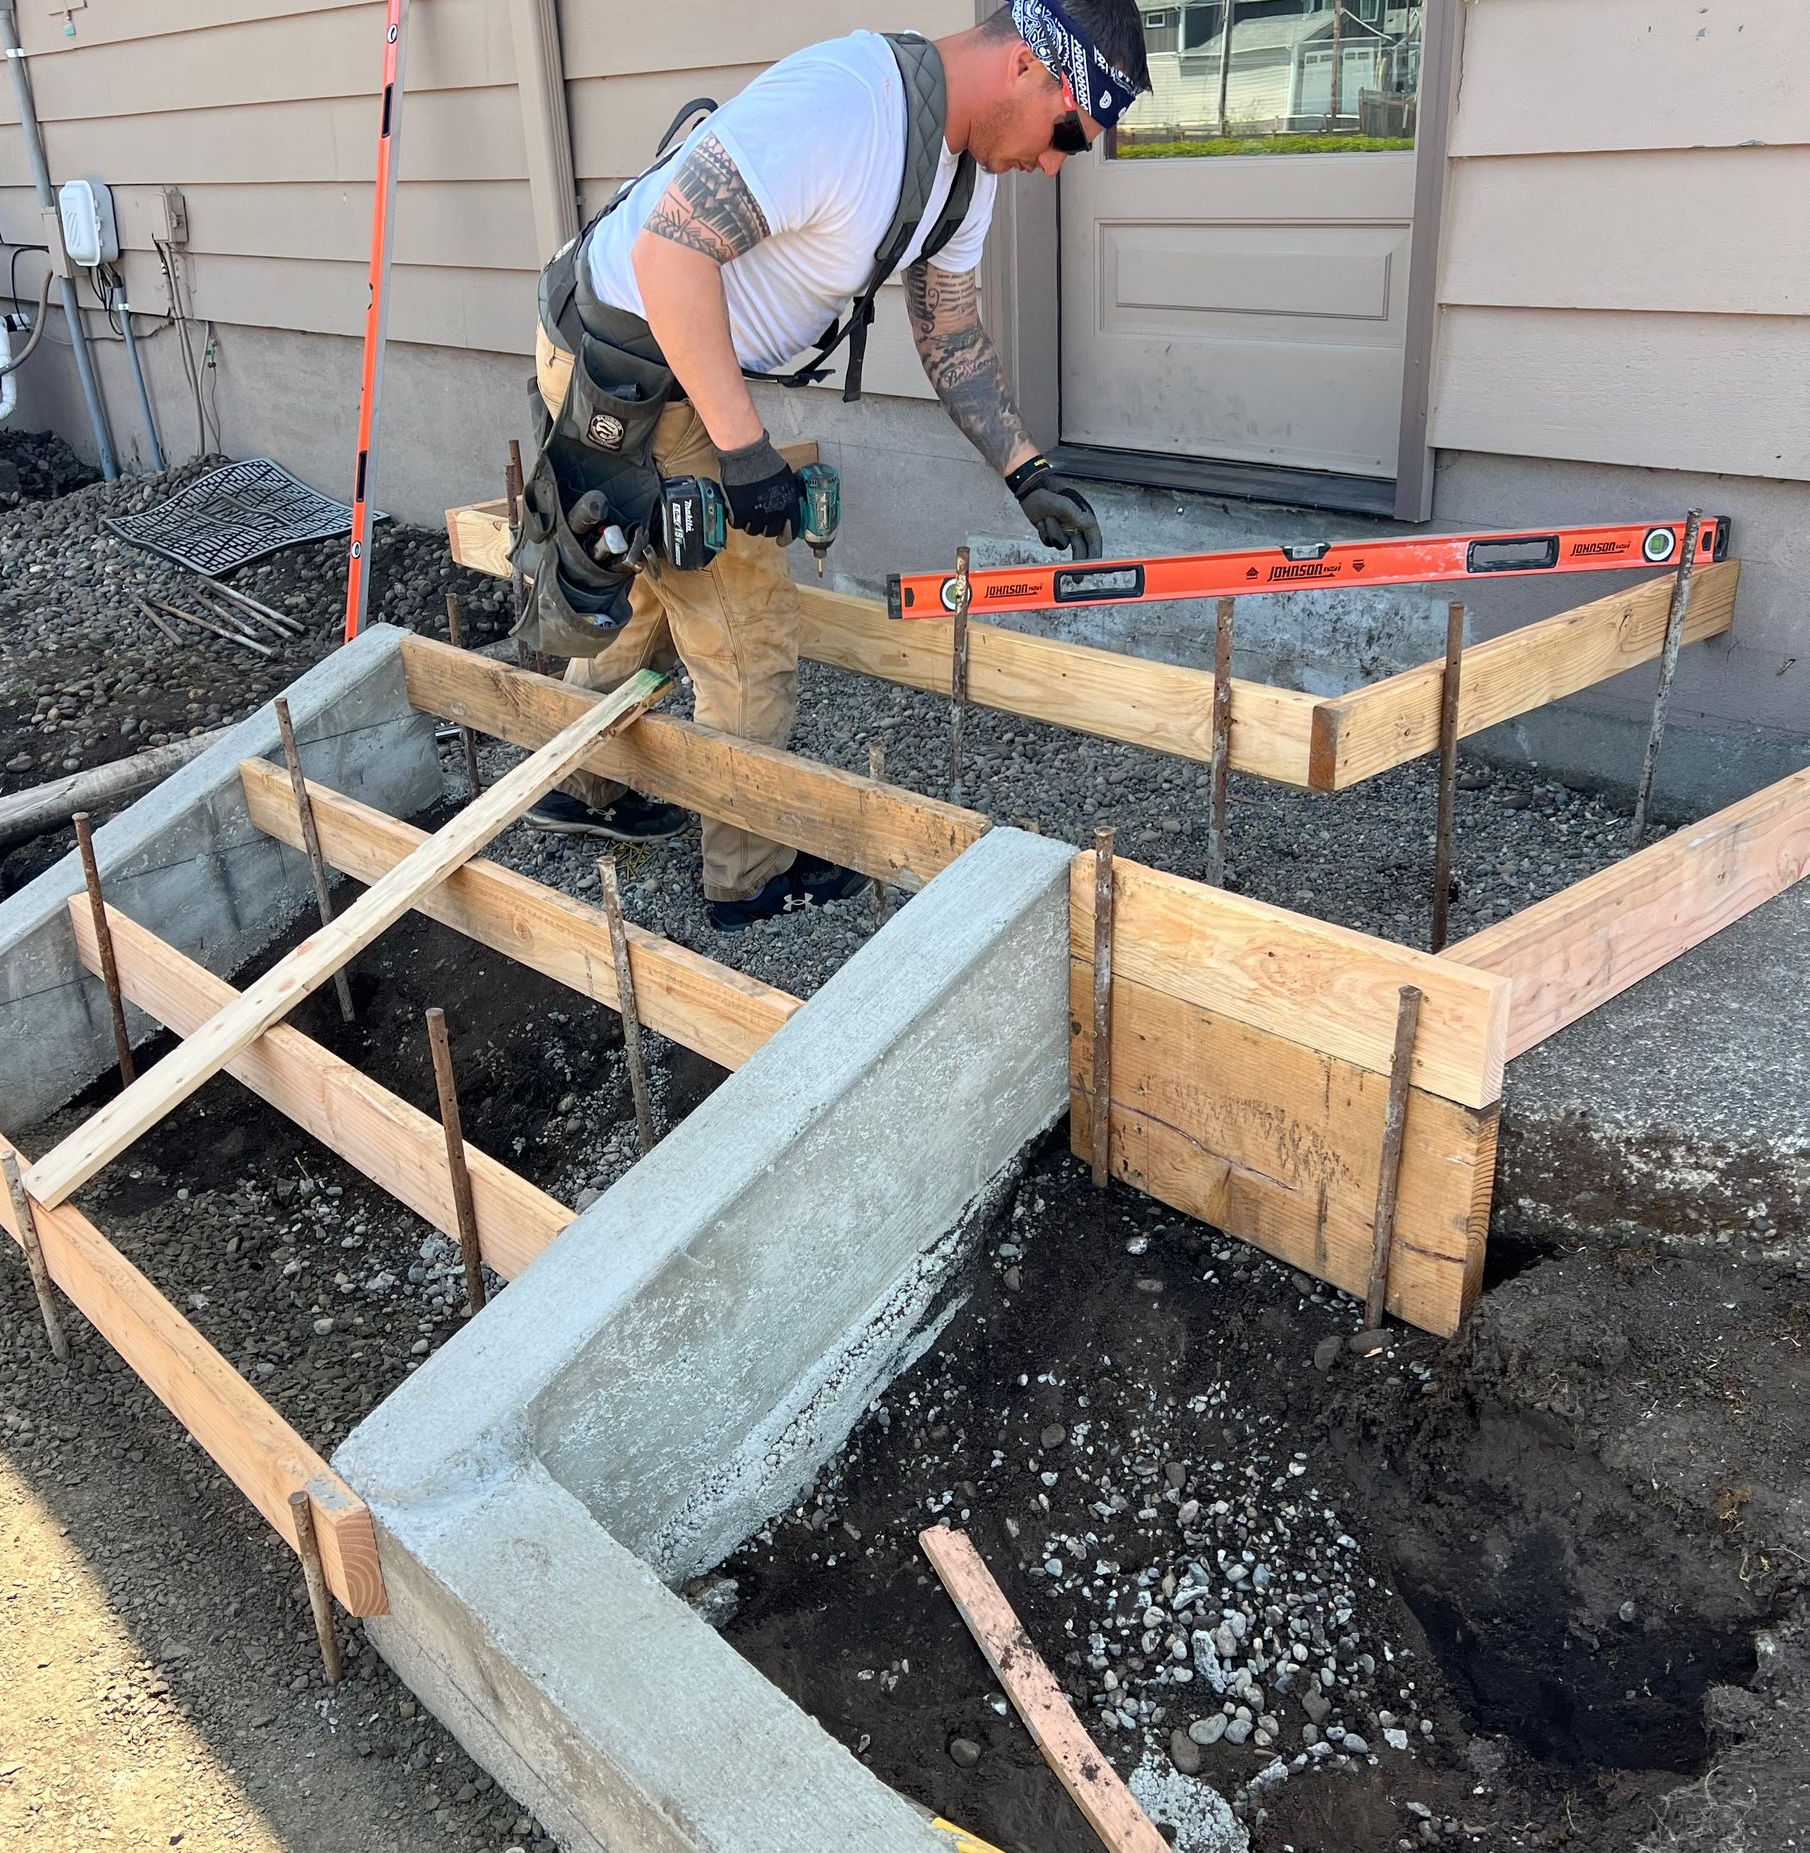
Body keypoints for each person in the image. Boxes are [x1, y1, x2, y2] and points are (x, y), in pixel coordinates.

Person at [521, 0, 1151, 930]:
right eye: (1068, 133)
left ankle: (581, 783)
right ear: (1027, 66)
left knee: (659, 583)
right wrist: (744, 453)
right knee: (749, 626)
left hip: (671, 363)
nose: (1055, 162)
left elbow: (949, 322)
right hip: (629, 361)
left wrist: (1025, 468)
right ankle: (750, 875)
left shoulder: (962, 173)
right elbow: (667, 256)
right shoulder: (847, 108)